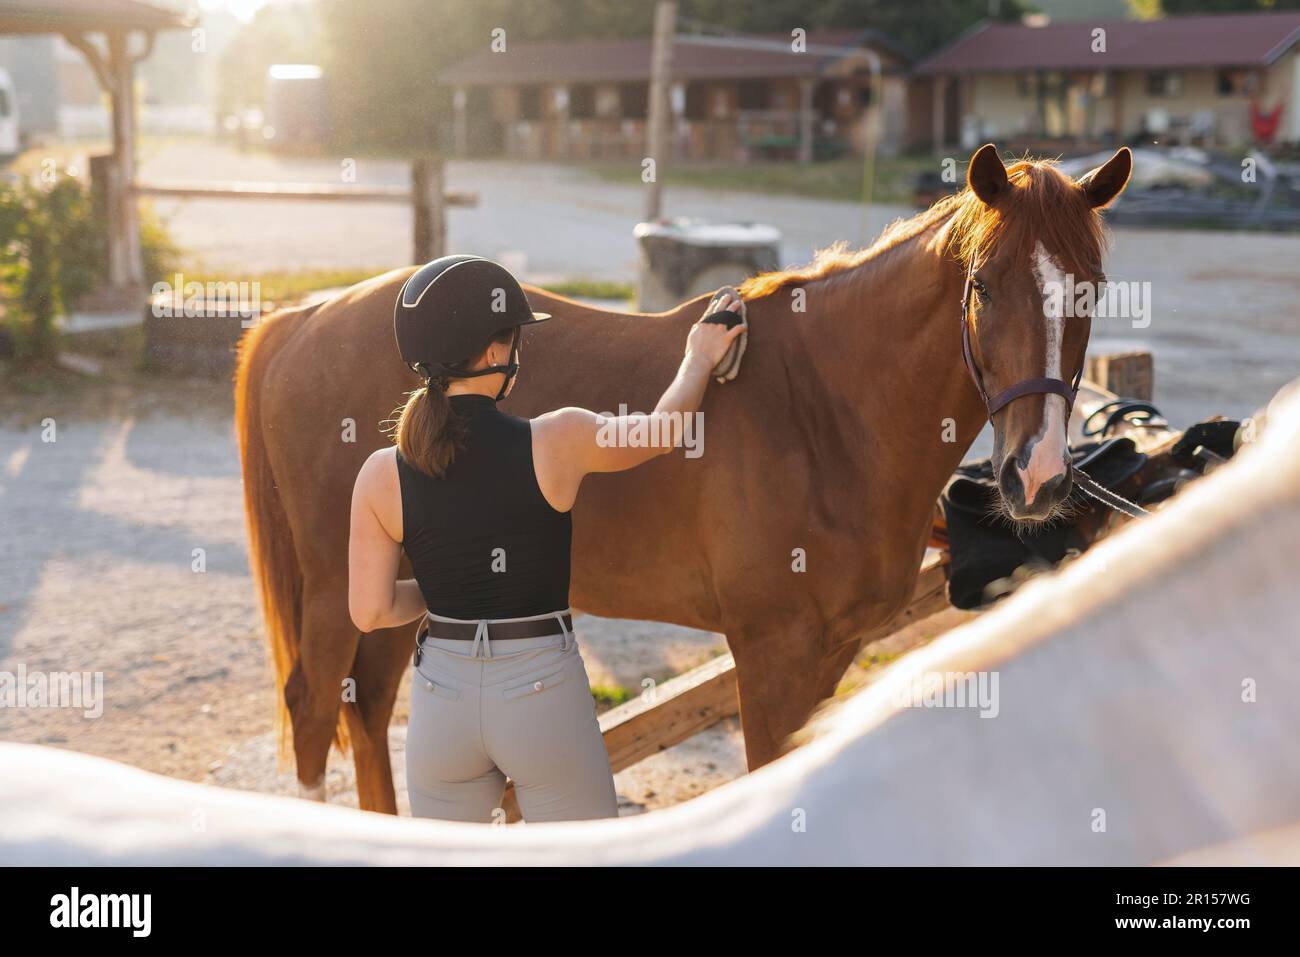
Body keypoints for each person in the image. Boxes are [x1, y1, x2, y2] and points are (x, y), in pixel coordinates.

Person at [348, 255, 743, 822]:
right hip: (539, 691)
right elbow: (665, 430)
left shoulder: (380, 473)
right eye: (512, 340)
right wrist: (697, 357)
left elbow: (370, 610)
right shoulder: (559, 438)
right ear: (490, 354)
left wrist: (445, 593)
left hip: (441, 703)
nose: (516, 352)